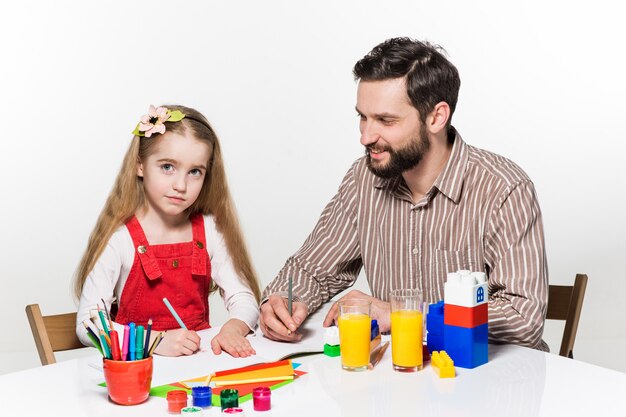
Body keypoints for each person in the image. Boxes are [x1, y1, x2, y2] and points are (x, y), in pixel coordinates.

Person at [260, 38, 549, 350]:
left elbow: (523, 318)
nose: (366, 136)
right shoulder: (363, 179)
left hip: (486, 381)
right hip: (398, 377)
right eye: (362, 116)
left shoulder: (503, 188)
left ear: (436, 117)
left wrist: (403, 315)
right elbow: (311, 270)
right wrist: (281, 302)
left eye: (385, 120)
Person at [74, 104, 260, 357]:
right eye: (167, 167)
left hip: (198, 367)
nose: (181, 185)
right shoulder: (119, 239)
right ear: (140, 165)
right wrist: (154, 341)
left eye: (195, 172)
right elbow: (89, 325)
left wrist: (234, 328)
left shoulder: (210, 230)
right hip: (139, 372)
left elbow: (243, 298)